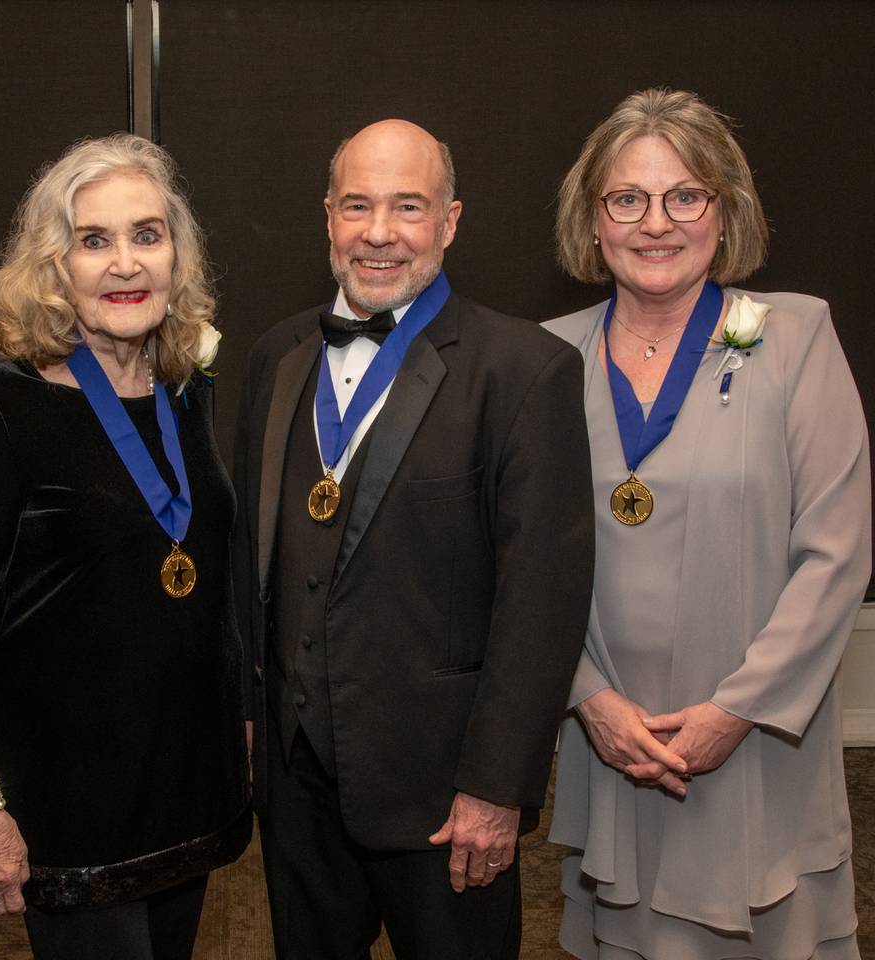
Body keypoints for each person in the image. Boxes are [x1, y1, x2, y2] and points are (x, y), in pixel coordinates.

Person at [230, 118, 595, 959]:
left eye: (408, 206)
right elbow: (250, 567)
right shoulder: (275, 357)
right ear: (328, 218)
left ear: (452, 220)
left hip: (445, 802)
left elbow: (542, 604)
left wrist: (496, 789)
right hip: (297, 789)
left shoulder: (524, 371)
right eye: (358, 206)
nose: (381, 233)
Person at [0, 132, 250, 959]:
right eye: (94, 241)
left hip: (184, 794)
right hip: (66, 809)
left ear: (177, 254)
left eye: (147, 234)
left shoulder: (182, 387)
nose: (125, 264)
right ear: (55, 265)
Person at [544, 88, 870, 959]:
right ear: (595, 218)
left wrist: (735, 710)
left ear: (725, 213)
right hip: (615, 747)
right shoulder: (544, 360)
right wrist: (590, 700)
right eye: (628, 199)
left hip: (759, 746)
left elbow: (837, 556)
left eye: (686, 195)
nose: (658, 223)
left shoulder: (796, 339)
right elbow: (518, 565)